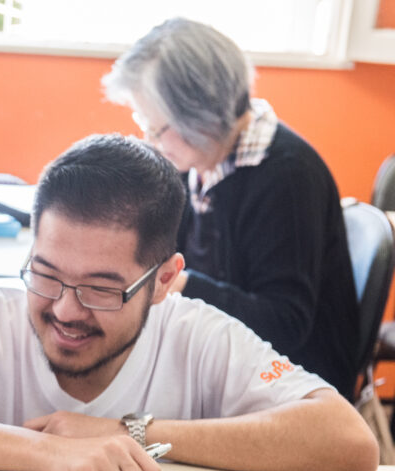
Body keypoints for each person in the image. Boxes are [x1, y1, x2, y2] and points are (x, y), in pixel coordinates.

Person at [0, 134, 379, 471]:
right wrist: (47, 450)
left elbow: (348, 444)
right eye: (45, 274)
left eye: (101, 289)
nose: (65, 309)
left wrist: (128, 432)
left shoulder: (197, 333)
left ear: (163, 280)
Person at [101, 18, 360, 399]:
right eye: (146, 124)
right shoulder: (203, 157)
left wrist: (181, 282)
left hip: (293, 383)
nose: (151, 140)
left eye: (159, 129)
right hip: (225, 350)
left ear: (202, 115)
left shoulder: (285, 177)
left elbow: (284, 323)